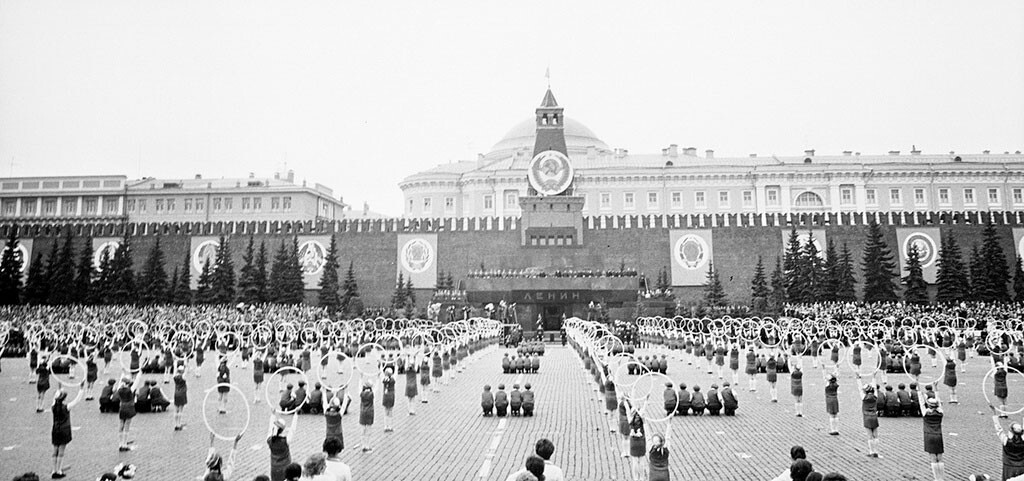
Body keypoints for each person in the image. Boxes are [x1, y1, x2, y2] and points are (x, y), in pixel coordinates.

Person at [49, 380, 85, 478]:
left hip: (55, 429)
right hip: (64, 430)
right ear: (64, 399)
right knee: (61, 452)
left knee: (55, 450)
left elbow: (54, 398)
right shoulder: (66, 407)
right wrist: (81, 389)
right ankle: (59, 470)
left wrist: (59, 389)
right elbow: (77, 400)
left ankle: (53, 470)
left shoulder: (53, 407)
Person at [991, 405, 1024, 480]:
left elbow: (998, 429)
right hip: (1022, 467)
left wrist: (994, 413)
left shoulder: (1006, 441)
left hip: (1008, 467)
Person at [267, 412, 300, 481]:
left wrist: (272, 414)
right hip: (286, 467)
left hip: (274, 468)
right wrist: (296, 414)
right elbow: (292, 430)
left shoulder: (269, 440)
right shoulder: (286, 440)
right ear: (282, 430)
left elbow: (270, 429)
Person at [921, 394, 945, 481]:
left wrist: (918, 387)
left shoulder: (926, 413)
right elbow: (939, 401)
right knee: (940, 457)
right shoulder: (940, 413)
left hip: (929, 435)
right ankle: (941, 478)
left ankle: (936, 478)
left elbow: (921, 402)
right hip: (938, 435)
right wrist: (936, 388)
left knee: (933, 458)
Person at [117, 373, 143, 451]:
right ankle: (124, 444)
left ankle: (120, 443)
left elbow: (119, 382)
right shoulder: (130, 390)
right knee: (127, 426)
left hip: (122, 407)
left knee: (121, 425)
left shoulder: (119, 390)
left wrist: (122, 374)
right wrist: (139, 373)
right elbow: (137, 381)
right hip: (129, 407)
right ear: (128, 384)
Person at [856, 376, 881, 458]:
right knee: (876, 435)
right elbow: (875, 389)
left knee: (869, 436)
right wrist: (874, 377)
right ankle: (876, 452)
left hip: (866, 416)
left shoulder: (864, 397)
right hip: (874, 416)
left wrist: (858, 378)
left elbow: (860, 388)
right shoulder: (875, 397)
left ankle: (871, 451)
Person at [629, 407, 646, 481]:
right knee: (641, 462)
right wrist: (646, 400)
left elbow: (627, 410)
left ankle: (636, 478)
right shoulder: (643, 424)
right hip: (641, 442)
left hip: (634, 443)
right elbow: (644, 410)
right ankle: (642, 478)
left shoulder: (631, 423)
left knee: (635, 462)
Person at [358, 380, 374, 452]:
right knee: (369, 430)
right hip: (370, 412)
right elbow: (376, 388)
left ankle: (363, 445)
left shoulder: (362, 394)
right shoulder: (371, 394)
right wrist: (377, 378)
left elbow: (359, 387)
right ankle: (367, 445)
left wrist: (360, 378)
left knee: (362, 430)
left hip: (362, 412)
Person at [173, 365, 188, 430]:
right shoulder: (183, 377)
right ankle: (179, 424)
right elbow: (186, 371)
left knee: (176, 409)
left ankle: (176, 424)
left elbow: (174, 370)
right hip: (182, 393)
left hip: (176, 393)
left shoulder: (175, 377)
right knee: (180, 410)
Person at [381, 367, 396, 432]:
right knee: (390, 412)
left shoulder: (384, 380)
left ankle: (385, 426)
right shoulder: (393, 380)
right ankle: (390, 426)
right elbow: (396, 374)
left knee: (385, 412)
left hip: (385, 396)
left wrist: (381, 365)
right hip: (391, 396)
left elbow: (381, 373)